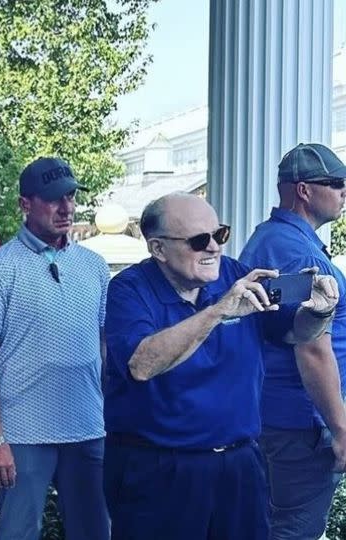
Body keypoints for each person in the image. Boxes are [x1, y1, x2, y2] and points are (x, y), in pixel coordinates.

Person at [103, 192, 338, 540]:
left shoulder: (235, 275)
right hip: (158, 469)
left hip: (239, 465)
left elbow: (292, 332)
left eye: (220, 234)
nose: (214, 247)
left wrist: (319, 311)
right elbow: (142, 364)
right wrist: (217, 312)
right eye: (199, 240)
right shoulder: (129, 289)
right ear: (158, 249)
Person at [0, 157, 111, 540]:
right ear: (25, 204)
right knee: (17, 534)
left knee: (95, 531)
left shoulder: (94, 266)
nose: (66, 208)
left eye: (70, 197)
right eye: (53, 199)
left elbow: (104, 346)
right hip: (23, 434)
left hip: (87, 428)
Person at [239, 142, 346, 539]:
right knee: (294, 531)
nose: (344, 193)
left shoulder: (267, 240)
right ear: (303, 190)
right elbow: (312, 347)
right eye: (336, 184)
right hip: (301, 427)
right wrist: (341, 429)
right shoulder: (302, 257)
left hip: (272, 418)